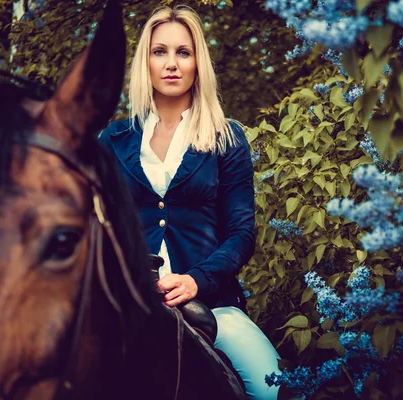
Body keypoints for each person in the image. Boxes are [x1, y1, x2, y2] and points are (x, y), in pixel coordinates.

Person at [98, 6, 281, 399]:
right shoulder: (112, 141)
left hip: (213, 307)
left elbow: (240, 234)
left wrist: (197, 279)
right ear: (145, 61)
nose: (171, 64)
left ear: (199, 62)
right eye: (159, 51)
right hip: (126, 306)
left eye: (184, 52)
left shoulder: (225, 138)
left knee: (275, 388)